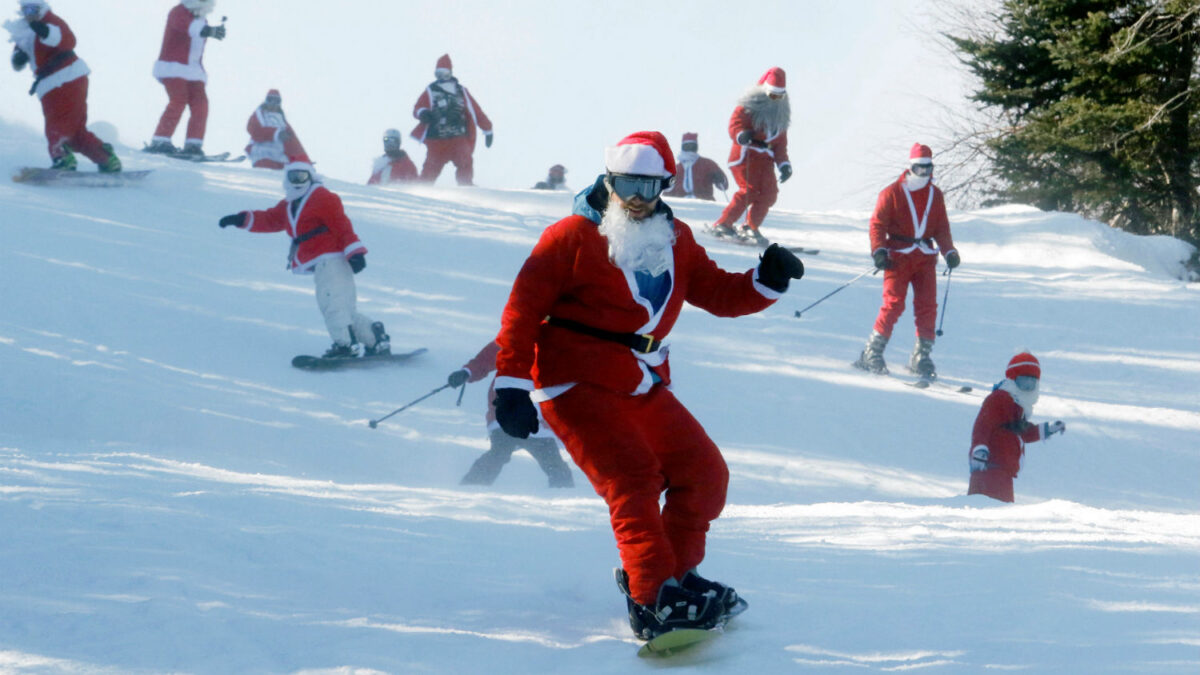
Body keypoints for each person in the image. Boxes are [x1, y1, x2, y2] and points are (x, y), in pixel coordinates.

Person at [492, 131, 804, 639]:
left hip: (638, 381)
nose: (635, 197)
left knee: (703, 473)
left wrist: (765, 280)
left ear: (665, 186)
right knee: (632, 480)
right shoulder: (571, 236)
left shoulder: (675, 238)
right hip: (574, 379)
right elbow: (522, 310)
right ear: (608, 182)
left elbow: (718, 293)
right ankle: (651, 597)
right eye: (624, 184)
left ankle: (676, 579)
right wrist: (509, 384)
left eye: (647, 186)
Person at [217, 160, 390, 358]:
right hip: (323, 262)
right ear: (286, 179)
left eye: (302, 176)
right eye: (293, 177)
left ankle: (345, 345)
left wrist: (355, 252)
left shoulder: (323, 198)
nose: (298, 182)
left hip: (331, 259)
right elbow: (271, 219)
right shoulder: (290, 204)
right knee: (343, 308)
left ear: (311, 177)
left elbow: (341, 224)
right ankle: (375, 337)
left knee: (332, 305)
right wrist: (240, 219)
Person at [854, 143, 961, 378]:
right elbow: (877, 225)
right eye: (919, 168)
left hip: (924, 258)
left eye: (928, 168)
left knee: (927, 306)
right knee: (893, 303)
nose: (923, 173)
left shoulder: (935, 194)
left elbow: (941, 228)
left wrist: (949, 251)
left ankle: (921, 356)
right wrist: (879, 251)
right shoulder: (892, 192)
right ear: (910, 167)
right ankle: (872, 352)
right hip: (898, 257)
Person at [7, 0, 120, 172]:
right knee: (75, 131)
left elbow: (67, 40)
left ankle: (62, 158)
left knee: (56, 125)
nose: (29, 13)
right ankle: (105, 157)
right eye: (25, 9)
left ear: (41, 8)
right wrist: (19, 58)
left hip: (63, 79)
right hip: (57, 83)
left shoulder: (51, 22)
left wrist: (43, 30)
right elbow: (18, 59)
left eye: (33, 9)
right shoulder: (24, 31)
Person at [448, 341, 574, 488]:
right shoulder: (517, 334)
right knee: (500, 452)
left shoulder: (563, 342)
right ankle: (471, 488)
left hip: (538, 420)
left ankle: (563, 494)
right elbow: (487, 357)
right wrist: (467, 373)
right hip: (507, 412)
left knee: (554, 464)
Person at [968, 353, 1067, 503]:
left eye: (1031, 383)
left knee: (1000, 511)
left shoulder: (1016, 404)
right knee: (989, 512)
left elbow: (1022, 432)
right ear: (1013, 379)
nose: (1027, 388)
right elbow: (983, 425)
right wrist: (979, 450)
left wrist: (1048, 429)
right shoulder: (1000, 398)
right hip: (989, 468)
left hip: (1003, 470)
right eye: (1023, 382)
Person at [711, 67, 792, 245]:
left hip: (766, 160)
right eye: (772, 95)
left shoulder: (780, 118)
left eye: (779, 96)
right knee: (750, 189)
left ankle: (750, 226)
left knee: (769, 194)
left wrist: (784, 165)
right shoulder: (748, 107)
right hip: (746, 155)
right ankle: (724, 223)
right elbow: (735, 125)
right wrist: (742, 134)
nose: (775, 100)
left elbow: (780, 146)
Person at [147, 0, 224, 157]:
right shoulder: (179, 11)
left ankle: (193, 144)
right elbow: (187, 27)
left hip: (194, 70)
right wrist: (209, 31)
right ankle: (160, 140)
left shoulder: (202, 19)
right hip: (173, 66)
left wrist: (211, 31)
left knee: (201, 104)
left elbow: (198, 37)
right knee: (178, 100)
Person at [410, 54, 493, 185]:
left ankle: (466, 186)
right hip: (437, 139)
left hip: (457, 138)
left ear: (450, 73)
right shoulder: (431, 91)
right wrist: (423, 113)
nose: (441, 77)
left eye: (444, 73)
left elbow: (475, 111)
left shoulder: (461, 91)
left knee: (465, 161)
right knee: (430, 168)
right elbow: (418, 107)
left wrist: (487, 129)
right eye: (438, 74)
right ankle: (422, 189)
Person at [245, 89, 308, 169]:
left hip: (279, 156)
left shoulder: (282, 120)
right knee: (266, 175)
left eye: (276, 101)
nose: (273, 104)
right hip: (262, 153)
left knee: (280, 176)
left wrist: (303, 161)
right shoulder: (259, 114)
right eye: (270, 100)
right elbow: (254, 130)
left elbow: (293, 142)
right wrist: (276, 133)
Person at [664, 132, 727, 201]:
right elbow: (668, 191)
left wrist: (721, 179)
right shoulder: (676, 170)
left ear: (696, 147)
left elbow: (723, 185)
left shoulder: (707, 164)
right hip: (681, 205)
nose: (690, 149)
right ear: (683, 147)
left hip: (704, 203)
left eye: (692, 146)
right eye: (687, 146)